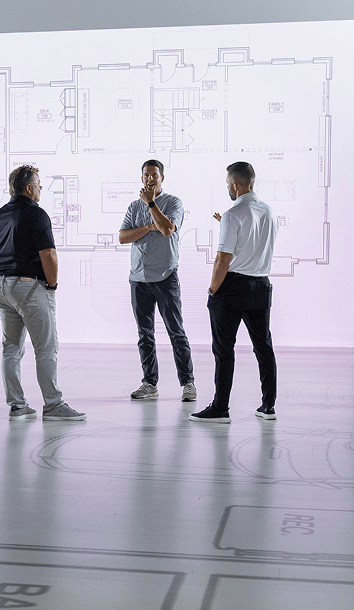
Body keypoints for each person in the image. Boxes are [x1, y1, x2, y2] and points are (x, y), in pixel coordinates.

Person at [0, 165, 86, 421]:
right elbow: (48, 254)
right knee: (46, 347)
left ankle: (17, 405)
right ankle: (53, 405)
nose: (41, 188)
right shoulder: (36, 214)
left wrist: (6, 276)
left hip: (1, 284)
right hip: (29, 287)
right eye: (39, 184)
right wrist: (51, 286)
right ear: (29, 188)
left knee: (11, 348)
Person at [190, 161, 278, 423]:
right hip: (261, 285)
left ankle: (220, 408)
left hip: (233, 287)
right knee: (263, 347)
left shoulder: (233, 213)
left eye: (228, 183)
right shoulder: (269, 212)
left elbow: (223, 259)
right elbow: (251, 245)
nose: (228, 188)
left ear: (235, 184)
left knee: (224, 349)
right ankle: (268, 406)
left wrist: (212, 290)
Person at [118, 159, 197, 402]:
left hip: (165, 277)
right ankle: (149, 383)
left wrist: (151, 205)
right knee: (145, 334)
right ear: (141, 178)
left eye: (154, 175)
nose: (149, 179)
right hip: (139, 278)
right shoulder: (133, 206)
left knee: (176, 332)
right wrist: (148, 227)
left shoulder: (173, 202)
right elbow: (123, 236)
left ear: (162, 177)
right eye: (145, 175)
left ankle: (188, 383)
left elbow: (166, 229)